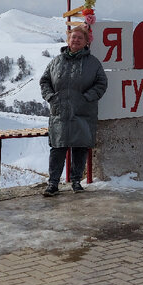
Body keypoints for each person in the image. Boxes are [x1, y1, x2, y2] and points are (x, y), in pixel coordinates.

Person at [39, 25, 108, 196]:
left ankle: (76, 181)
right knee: (57, 148)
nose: (76, 40)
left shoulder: (93, 63)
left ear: (86, 42)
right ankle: (53, 183)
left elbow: (101, 84)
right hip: (60, 112)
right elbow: (45, 81)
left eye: (80, 38)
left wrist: (87, 97)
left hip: (82, 112)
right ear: (68, 40)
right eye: (73, 37)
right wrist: (50, 97)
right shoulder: (56, 61)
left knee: (80, 147)